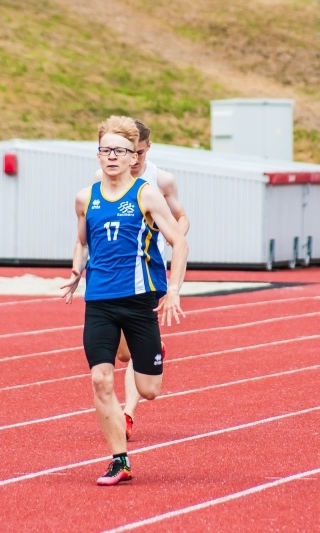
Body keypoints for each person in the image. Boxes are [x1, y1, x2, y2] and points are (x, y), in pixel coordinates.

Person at [62, 115, 189, 486]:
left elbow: (179, 241)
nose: (112, 156)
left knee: (149, 390)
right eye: (106, 150)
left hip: (138, 302)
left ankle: (153, 350)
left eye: (119, 150)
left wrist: (174, 290)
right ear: (97, 154)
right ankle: (120, 460)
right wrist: (74, 272)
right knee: (101, 379)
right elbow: (81, 241)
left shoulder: (146, 194)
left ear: (134, 154)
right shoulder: (85, 197)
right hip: (99, 300)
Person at [95, 119, 190, 441]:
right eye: (124, 152)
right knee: (122, 355)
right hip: (112, 274)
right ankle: (150, 346)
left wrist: (170, 239)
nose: (130, 159)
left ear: (146, 148)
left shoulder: (160, 180)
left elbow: (181, 217)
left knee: (139, 369)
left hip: (146, 272)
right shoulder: (104, 178)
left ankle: (128, 413)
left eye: (137, 153)